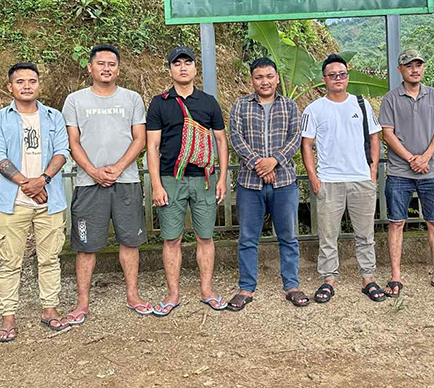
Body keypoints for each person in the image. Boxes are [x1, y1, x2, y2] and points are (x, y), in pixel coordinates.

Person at [62, 45, 148, 324]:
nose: (106, 68)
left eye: (112, 64)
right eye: (101, 63)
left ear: (118, 69)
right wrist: (93, 171)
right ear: (90, 67)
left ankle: (133, 295)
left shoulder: (132, 98)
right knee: (85, 246)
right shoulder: (75, 100)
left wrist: (118, 168)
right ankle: (82, 302)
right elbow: (73, 142)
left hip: (127, 181)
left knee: (130, 241)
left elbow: (140, 139)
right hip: (88, 183)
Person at [0, 62, 71, 341]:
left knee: (49, 258)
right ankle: (8, 318)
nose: (26, 86)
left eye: (32, 81)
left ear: (39, 85)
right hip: (13, 202)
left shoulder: (53, 116)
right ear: (10, 86)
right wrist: (28, 184)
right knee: (10, 261)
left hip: (50, 199)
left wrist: (43, 180)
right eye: (20, 81)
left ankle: (50, 309)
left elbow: (62, 151)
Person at [146, 46, 229, 316]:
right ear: (170, 69)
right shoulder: (159, 103)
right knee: (172, 238)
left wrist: (222, 178)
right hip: (171, 178)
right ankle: (173, 294)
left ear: (195, 68)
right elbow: (152, 146)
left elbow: (221, 141)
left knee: (205, 236)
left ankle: (207, 290)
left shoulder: (208, 102)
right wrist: (156, 184)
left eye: (188, 62)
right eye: (177, 63)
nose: (183, 68)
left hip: (204, 178)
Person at [301, 54, 384, 304]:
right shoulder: (314, 109)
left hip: (361, 178)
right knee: (328, 236)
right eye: (332, 75)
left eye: (342, 74)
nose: (338, 79)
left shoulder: (362, 104)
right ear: (324, 79)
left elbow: (374, 137)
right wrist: (314, 176)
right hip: (329, 180)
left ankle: (368, 278)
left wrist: (372, 170)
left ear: (347, 77)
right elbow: (307, 145)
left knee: (365, 235)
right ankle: (328, 280)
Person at [226, 57, 307, 310]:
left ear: (277, 78)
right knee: (247, 238)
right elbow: (236, 138)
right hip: (249, 184)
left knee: (288, 237)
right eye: (259, 77)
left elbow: (295, 138)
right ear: (252, 80)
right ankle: (246, 288)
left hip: (284, 183)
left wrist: (274, 161)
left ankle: (291, 285)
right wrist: (259, 164)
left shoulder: (290, 106)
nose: (265, 81)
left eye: (269, 76)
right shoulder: (240, 106)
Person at [380, 50, 434, 296]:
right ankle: (396, 276)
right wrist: (411, 159)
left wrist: (424, 158)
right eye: (409, 66)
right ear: (400, 69)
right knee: (396, 222)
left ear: (423, 68)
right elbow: (388, 133)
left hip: (431, 171)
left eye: (418, 65)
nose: (414, 70)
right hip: (399, 171)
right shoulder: (390, 99)